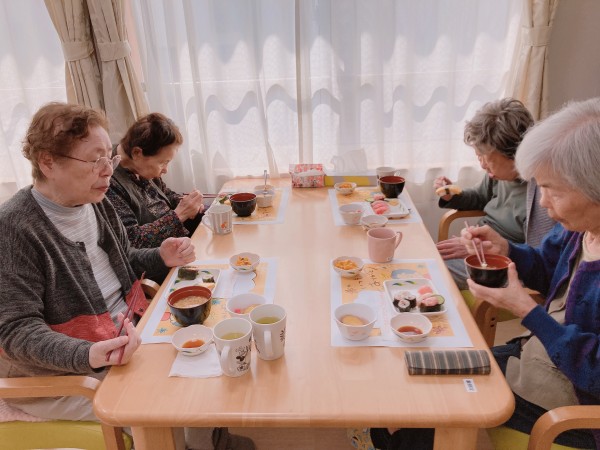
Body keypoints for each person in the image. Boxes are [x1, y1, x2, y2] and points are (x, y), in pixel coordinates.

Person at [0, 103, 254, 450]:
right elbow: (16, 330)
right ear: (48, 162)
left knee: (207, 346)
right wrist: (88, 353)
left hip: (125, 333)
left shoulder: (96, 201)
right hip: (63, 371)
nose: (108, 171)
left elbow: (125, 260)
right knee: (165, 407)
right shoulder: (14, 228)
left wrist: (160, 256)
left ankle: (208, 439)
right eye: (95, 161)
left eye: (110, 158)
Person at [370, 98, 600, 450]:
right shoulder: (579, 230)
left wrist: (526, 310)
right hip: (538, 357)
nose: (541, 202)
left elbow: (593, 371)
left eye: (553, 190)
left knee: (436, 400)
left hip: (575, 399)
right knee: (421, 371)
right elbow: (546, 267)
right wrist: (507, 250)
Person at [434, 98, 534, 289]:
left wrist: (484, 249)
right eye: (479, 156)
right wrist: (452, 196)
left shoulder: (539, 195)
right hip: (480, 248)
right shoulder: (498, 175)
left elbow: (539, 256)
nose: (482, 165)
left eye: (488, 159)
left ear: (516, 155)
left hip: (502, 264)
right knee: (426, 258)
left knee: (432, 271)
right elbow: (479, 197)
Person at [107, 112, 205, 249]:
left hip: (179, 242)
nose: (165, 170)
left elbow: (165, 194)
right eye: (163, 163)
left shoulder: (140, 166)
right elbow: (132, 241)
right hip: (159, 255)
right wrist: (180, 214)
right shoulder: (108, 182)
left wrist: (187, 203)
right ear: (137, 153)